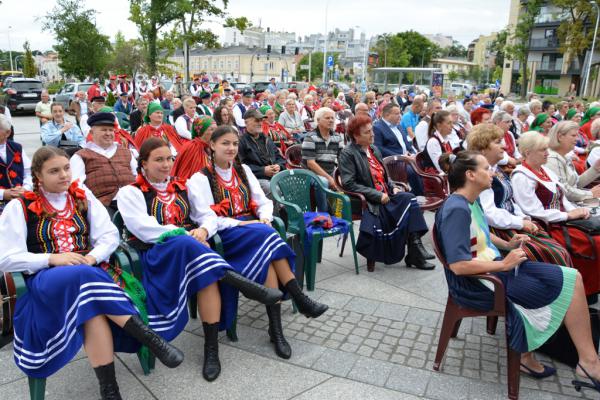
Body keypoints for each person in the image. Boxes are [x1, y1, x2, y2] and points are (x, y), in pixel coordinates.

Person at [0, 146, 184, 399]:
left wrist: (92, 257)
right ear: (39, 176)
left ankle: (110, 389)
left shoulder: (81, 197)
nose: (64, 175)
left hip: (89, 276)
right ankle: (149, 337)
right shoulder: (19, 207)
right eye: (54, 171)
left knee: (92, 308)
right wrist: (52, 258)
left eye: (66, 168)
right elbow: (6, 258)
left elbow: (109, 235)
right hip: (46, 282)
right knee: (84, 276)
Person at [117, 137, 281, 381]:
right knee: (184, 242)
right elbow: (144, 229)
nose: (165, 165)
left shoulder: (183, 186)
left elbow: (207, 215)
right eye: (158, 160)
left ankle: (211, 349)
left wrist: (203, 230)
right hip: (157, 256)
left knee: (207, 276)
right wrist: (186, 234)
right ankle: (241, 282)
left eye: (169, 159)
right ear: (143, 163)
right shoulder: (129, 192)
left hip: (195, 254)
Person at [435, 150, 600, 385]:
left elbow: (482, 230)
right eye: (485, 169)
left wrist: (506, 243)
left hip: (493, 270)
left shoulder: (468, 201)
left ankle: (587, 361)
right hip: (480, 281)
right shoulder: (457, 209)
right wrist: (504, 263)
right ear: (470, 175)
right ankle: (575, 361)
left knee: (573, 277)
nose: (491, 172)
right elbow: (459, 266)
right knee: (564, 283)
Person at [192, 126, 329, 359]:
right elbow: (205, 217)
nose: (232, 148)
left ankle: (276, 330)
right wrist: (244, 225)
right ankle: (299, 298)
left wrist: (264, 217)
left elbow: (262, 201)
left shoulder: (243, 170)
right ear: (212, 145)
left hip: (255, 232)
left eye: (235, 143)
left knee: (269, 251)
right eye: (225, 143)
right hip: (227, 236)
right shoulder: (200, 178)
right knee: (269, 236)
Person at [467, 123, 572, 267]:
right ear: (483, 149)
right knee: (555, 253)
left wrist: (523, 218)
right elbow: (490, 214)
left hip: (511, 222)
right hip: (498, 230)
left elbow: (511, 201)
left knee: (559, 248)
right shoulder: (482, 175)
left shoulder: (496, 169)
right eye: (498, 142)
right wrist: (520, 222)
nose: (504, 146)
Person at [339, 115, 434, 271]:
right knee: (410, 201)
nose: (372, 134)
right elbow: (349, 183)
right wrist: (377, 195)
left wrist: (392, 186)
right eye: (367, 132)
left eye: (372, 131)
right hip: (369, 200)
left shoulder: (373, 149)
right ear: (356, 135)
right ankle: (415, 250)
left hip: (386, 195)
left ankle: (415, 249)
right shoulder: (347, 153)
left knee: (410, 199)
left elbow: (384, 175)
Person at [512, 131, 600, 295]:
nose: (547, 153)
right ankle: (585, 291)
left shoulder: (545, 171)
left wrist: (576, 211)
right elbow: (534, 211)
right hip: (546, 228)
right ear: (527, 153)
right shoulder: (521, 176)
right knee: (596, 242)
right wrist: (569, 215)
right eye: (542, 150)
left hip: (561, 222)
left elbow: (563, 198)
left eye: (546, 148)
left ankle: (590, 290)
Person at [70, 112, 137, 215]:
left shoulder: (126, 152)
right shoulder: (80, 156)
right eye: (104, 130)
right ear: (92, 133)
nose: (108, 133)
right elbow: (76, 185)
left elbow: (137, 176)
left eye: (111, 130)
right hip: (102, 206)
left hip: (132, 201)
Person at [545, 121, 600, 203]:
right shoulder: (552, 159)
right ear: (560, 137)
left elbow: (575, 184)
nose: (577, 139)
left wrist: (595, 169)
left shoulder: (564, 157)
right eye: (573, 135)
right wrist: (590, 194)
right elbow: (564, 191)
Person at [302, 107, 345, 211]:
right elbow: (311, 163)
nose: (331, 120)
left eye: (332, 118)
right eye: (327, 118)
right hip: (310, 174)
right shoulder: (310, 137)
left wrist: (340, 176)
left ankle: (339, 213)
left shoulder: (337, 137)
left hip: (330, 171)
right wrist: (330, 178)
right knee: (323, 181)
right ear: (318, 120)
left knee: (347, 180)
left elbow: (342, 159)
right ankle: (323, 214)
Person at [238, 109, 286, 195]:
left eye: (261, 120)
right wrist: (262, 170)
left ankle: (288, 208)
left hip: (274, 175)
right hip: (256, 178)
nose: (260, 123)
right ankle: (276, 209)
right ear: (246, 123)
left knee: (293, 184)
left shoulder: (266, 138)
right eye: (256, 120)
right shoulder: (241, 142)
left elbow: (280, 158)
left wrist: (278, 166)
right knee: (273, 189)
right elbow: (240, 167)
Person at [0, 115, 31, 213]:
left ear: (8, 133)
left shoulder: (17, 147)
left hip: (20, 199)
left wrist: (25, 189)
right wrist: (3, 193)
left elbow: (29, 172)